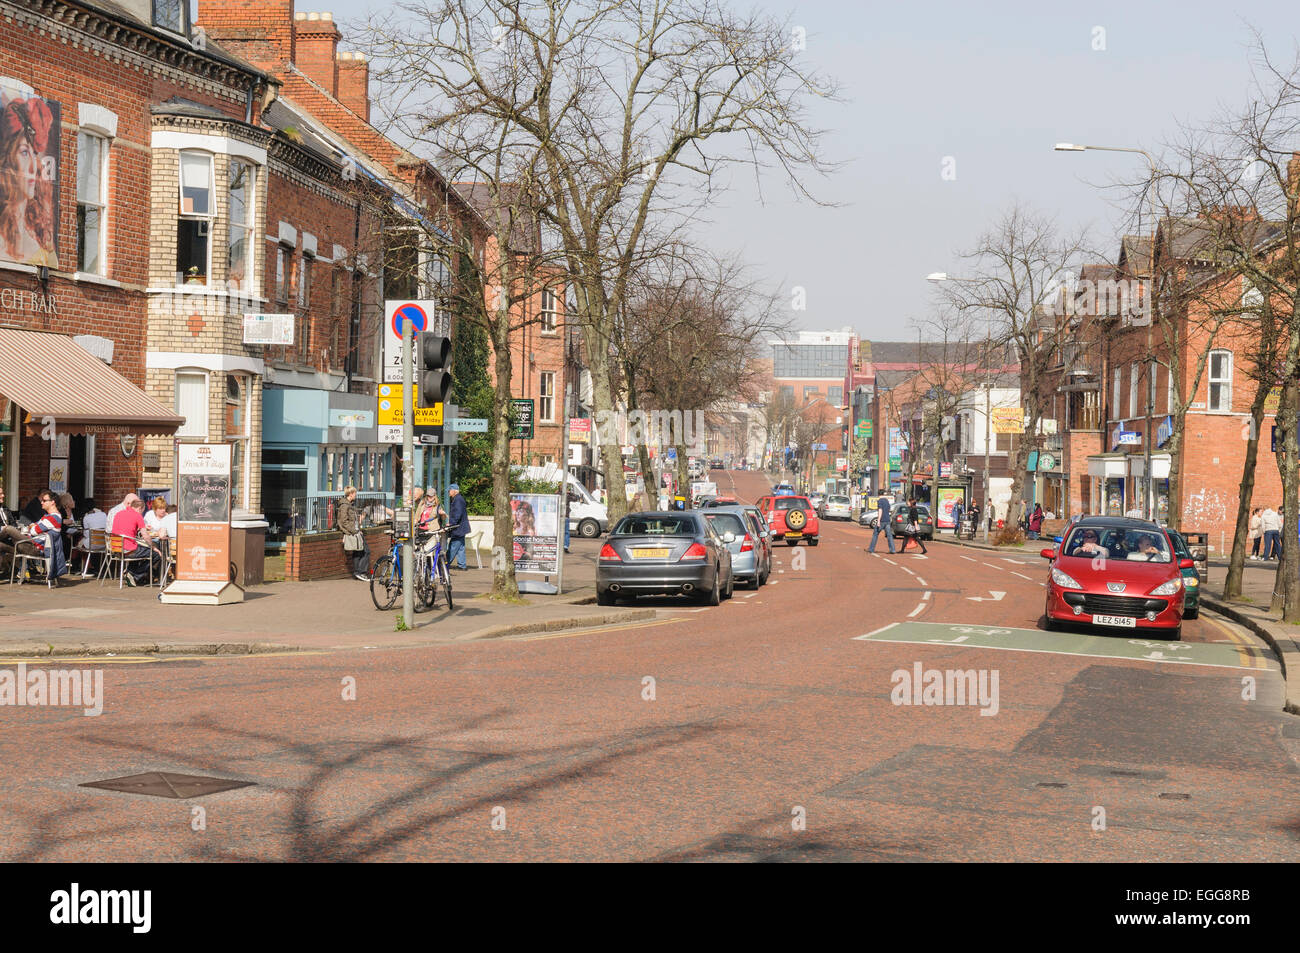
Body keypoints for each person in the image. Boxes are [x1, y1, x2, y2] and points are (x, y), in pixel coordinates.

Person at [0, 95, 58, 267]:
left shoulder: (43, 242)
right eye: (24, 152)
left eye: (35, 154)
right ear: (7, 159)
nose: (35, 167)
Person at [0, 489, 66, 581]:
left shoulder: (53, 517)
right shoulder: (47, 516)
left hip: (35, 548)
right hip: (30, 545)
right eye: (41, 500)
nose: (41, 502)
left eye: (44, 500)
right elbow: (35, 527)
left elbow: (34, 531)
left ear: (52, 502)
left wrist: (33, 527)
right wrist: (34, 527)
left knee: (8, 529)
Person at [110, 496, 161, 586]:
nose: (142, 513)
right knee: (155, 554)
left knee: (139, 549)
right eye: (142, 510)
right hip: (129, 550)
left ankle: (129, 572)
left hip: (116, 549)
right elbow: (145, 536)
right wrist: (153, 547)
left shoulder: (119, 513)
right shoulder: (137, 516)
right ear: (139, 508)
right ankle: (135, 575)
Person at [337, 486, 370, 581]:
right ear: (350, 494)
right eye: (355, 493)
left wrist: (358, 530)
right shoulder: (344, 506)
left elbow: (354, 520)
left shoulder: (350, 505)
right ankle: (360, 572)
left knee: (358, 552)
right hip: (353, 532)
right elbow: (343, 521)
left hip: (356, 532)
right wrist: (353, 531)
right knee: (365, 551)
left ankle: (358, 572)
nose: (356, 495)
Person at [446, 483, 469, 570]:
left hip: (458, 527)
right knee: (460, 547)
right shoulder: (458, 498)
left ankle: (446, 563)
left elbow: (457, 513)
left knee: (453, 546)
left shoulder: (458, 500)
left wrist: (451, 523)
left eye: (449, 490)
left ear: (454, 491)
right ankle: (462, 565)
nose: (448, 492)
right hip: (461, 527)